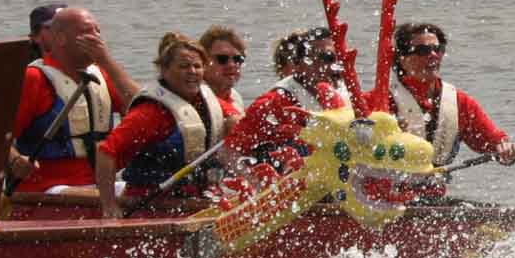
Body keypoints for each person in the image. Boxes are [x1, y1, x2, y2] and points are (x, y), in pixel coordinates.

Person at [10, 5, 142, 193]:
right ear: (61, 38)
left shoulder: (103, 74)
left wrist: (106, 61)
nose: (97, 38)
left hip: (101, 181)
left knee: (149, 193)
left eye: (98, 31)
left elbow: (144, 108)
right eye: (88, 32)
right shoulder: (34, 78)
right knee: (105, 197)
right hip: (47, 187)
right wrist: (15, 159)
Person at [95, 34, 227, 218]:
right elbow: (106, 152)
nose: (192, 71)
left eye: (197, 66)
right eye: (183, 66)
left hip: (197, 198)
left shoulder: (207, 100)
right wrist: (109, 205)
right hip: (151, 203)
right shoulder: (150, 112)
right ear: (164, 70)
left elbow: (238, 121)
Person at [385, 22, 515, 167]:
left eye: (438, 49)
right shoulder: (382, 101)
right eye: (423, 51)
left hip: (437, 180)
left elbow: (493, 141)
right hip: (387, 179)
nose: (433, 55)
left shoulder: (459, 102)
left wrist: (504, 149)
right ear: (402, 59)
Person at [223, 28, 351, 172]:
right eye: (327, 58)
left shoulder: (347, 99)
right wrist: (254, 181)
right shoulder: (272, 104)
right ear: (298, 64)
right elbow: (229, 152)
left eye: (341, 59)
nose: (336, 67)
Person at [199, 25, 250, 119]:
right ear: (203, 62)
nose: (231, 65)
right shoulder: (198, 97)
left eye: (237, 59)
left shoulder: (234, 98)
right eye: (222, 59)